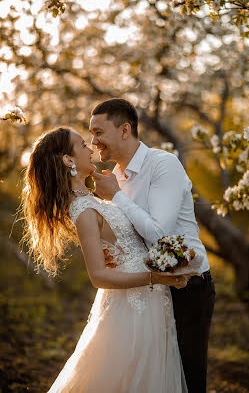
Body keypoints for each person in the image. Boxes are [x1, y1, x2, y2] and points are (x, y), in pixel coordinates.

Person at [22, 127, 195, 393]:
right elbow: (98, 276)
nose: (90, 148)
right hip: (131, 305)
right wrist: (154, 277)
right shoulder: (82, 210)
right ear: (68, 160)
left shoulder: (92, 199)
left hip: (150, 298)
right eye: (81, 145)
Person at [90, 98, 216, 393]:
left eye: (98, 132)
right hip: (148, 291)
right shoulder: (117, 177)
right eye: (91, 133)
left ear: (124, 130)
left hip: (187, 286)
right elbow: (133, 234)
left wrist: (116, 197)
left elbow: (161, 236)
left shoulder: (163, 164)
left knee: (187, 377)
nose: (93, 141)